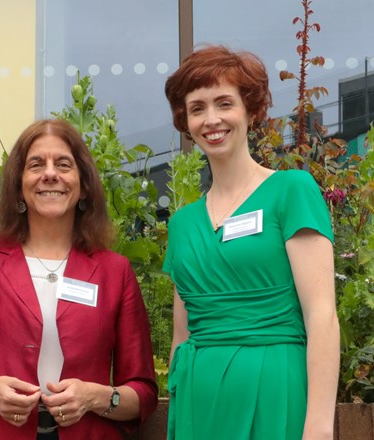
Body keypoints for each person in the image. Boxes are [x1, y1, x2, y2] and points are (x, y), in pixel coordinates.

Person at [0, 119, 157, 440]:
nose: (50, 174)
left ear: (84, 184)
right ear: (18, 185)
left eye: (63, 164)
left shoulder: (115, 272)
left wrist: (95, 398)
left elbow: (142, 392)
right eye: (35, 165)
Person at [162, 45, 340, 439]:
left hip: (276, 390)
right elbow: (182, 337)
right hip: (198, 400)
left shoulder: (291, 191)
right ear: (185, 121)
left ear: (251, 110)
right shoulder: (182, 224)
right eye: (197, 108)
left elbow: (322, 317)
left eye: (224, 103)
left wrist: (319, 427)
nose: (212, 119)